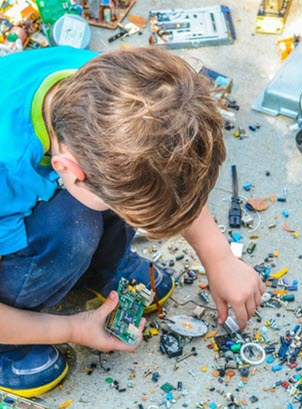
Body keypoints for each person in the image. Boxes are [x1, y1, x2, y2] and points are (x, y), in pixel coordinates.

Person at [0, 46, 264, 397]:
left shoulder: (116, 89)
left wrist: (219, 258)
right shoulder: (9, 168)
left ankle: (98, 271)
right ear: (68, 168)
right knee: (71, 230)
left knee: (105, 202)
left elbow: (167, 173)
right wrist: (70, 329)